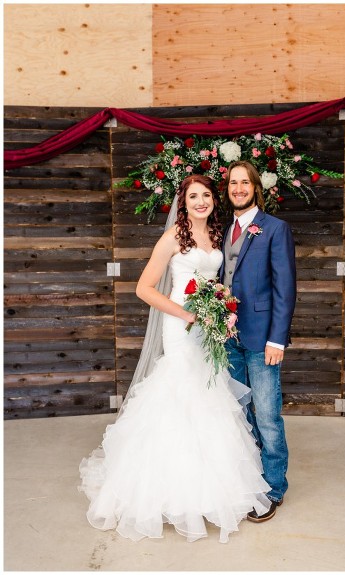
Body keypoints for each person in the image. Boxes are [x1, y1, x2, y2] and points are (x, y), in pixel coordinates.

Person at [79, 174, 272, 543]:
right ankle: (167, 491)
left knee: (210, 394)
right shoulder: (173, 237)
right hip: (182, 325)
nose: (201, 202)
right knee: (181, 392)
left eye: (206, 195)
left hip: (210, 324)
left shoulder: (218, 235)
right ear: (182, 203)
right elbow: (143, 288)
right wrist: (186, 314)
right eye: (193, 196)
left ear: (214, 200)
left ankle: (208, 490)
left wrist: (219, 308)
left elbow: (219, 280)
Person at [220, 160, 297, 523]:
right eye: (233, 183)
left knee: (267, 414)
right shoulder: (224, 230)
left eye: (244, 182)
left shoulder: (274, 228)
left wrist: (277, 340)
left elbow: (285, 289)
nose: (238, 188)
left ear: (255, 187)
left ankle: (274, 487)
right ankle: (248, 478)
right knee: (239, 413)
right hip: (228, 337)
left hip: (262, 337)